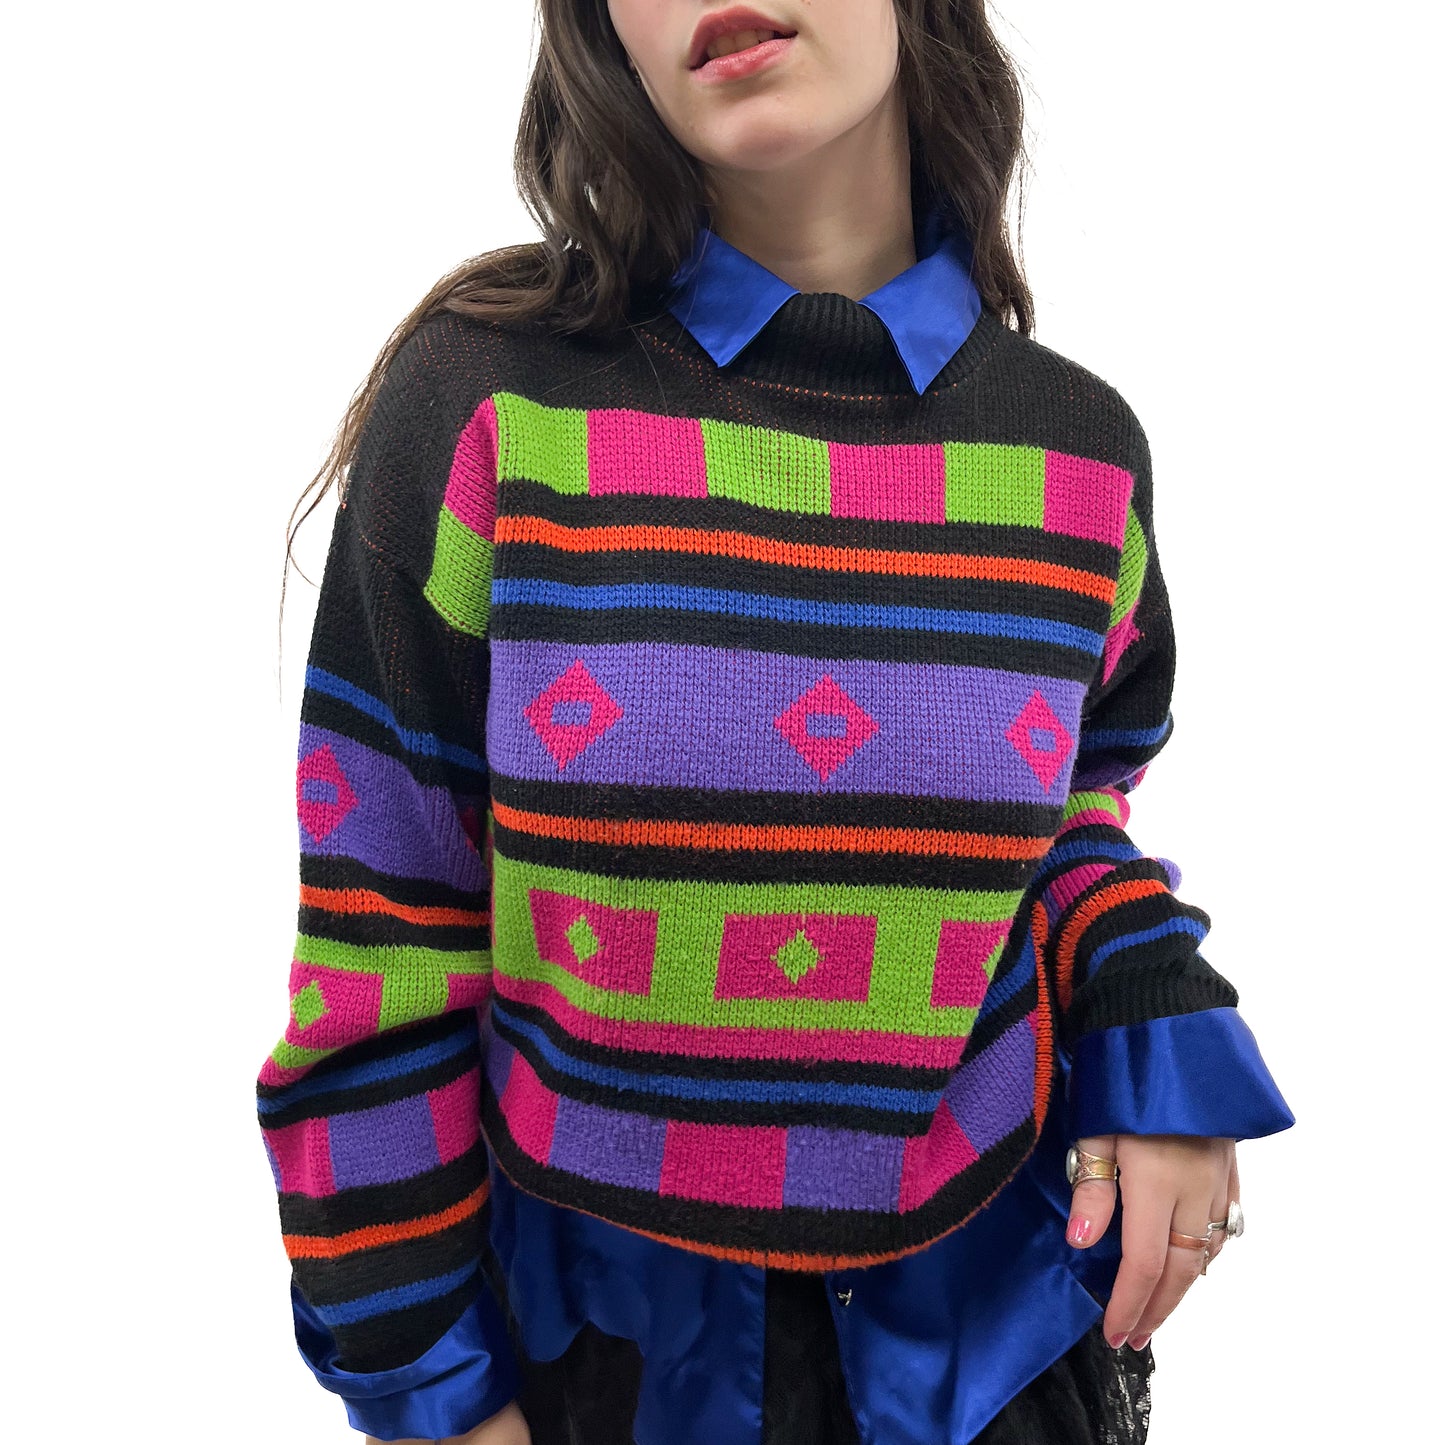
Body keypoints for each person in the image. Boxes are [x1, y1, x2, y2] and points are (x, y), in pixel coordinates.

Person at [256, 3, 1295, 1442]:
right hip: (595, 1364)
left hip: (987, 1351)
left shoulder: (1077, 452)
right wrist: (434, 1393)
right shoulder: (489, 406)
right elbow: (384, 933)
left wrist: (1148, 1013)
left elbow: (1066, 819)